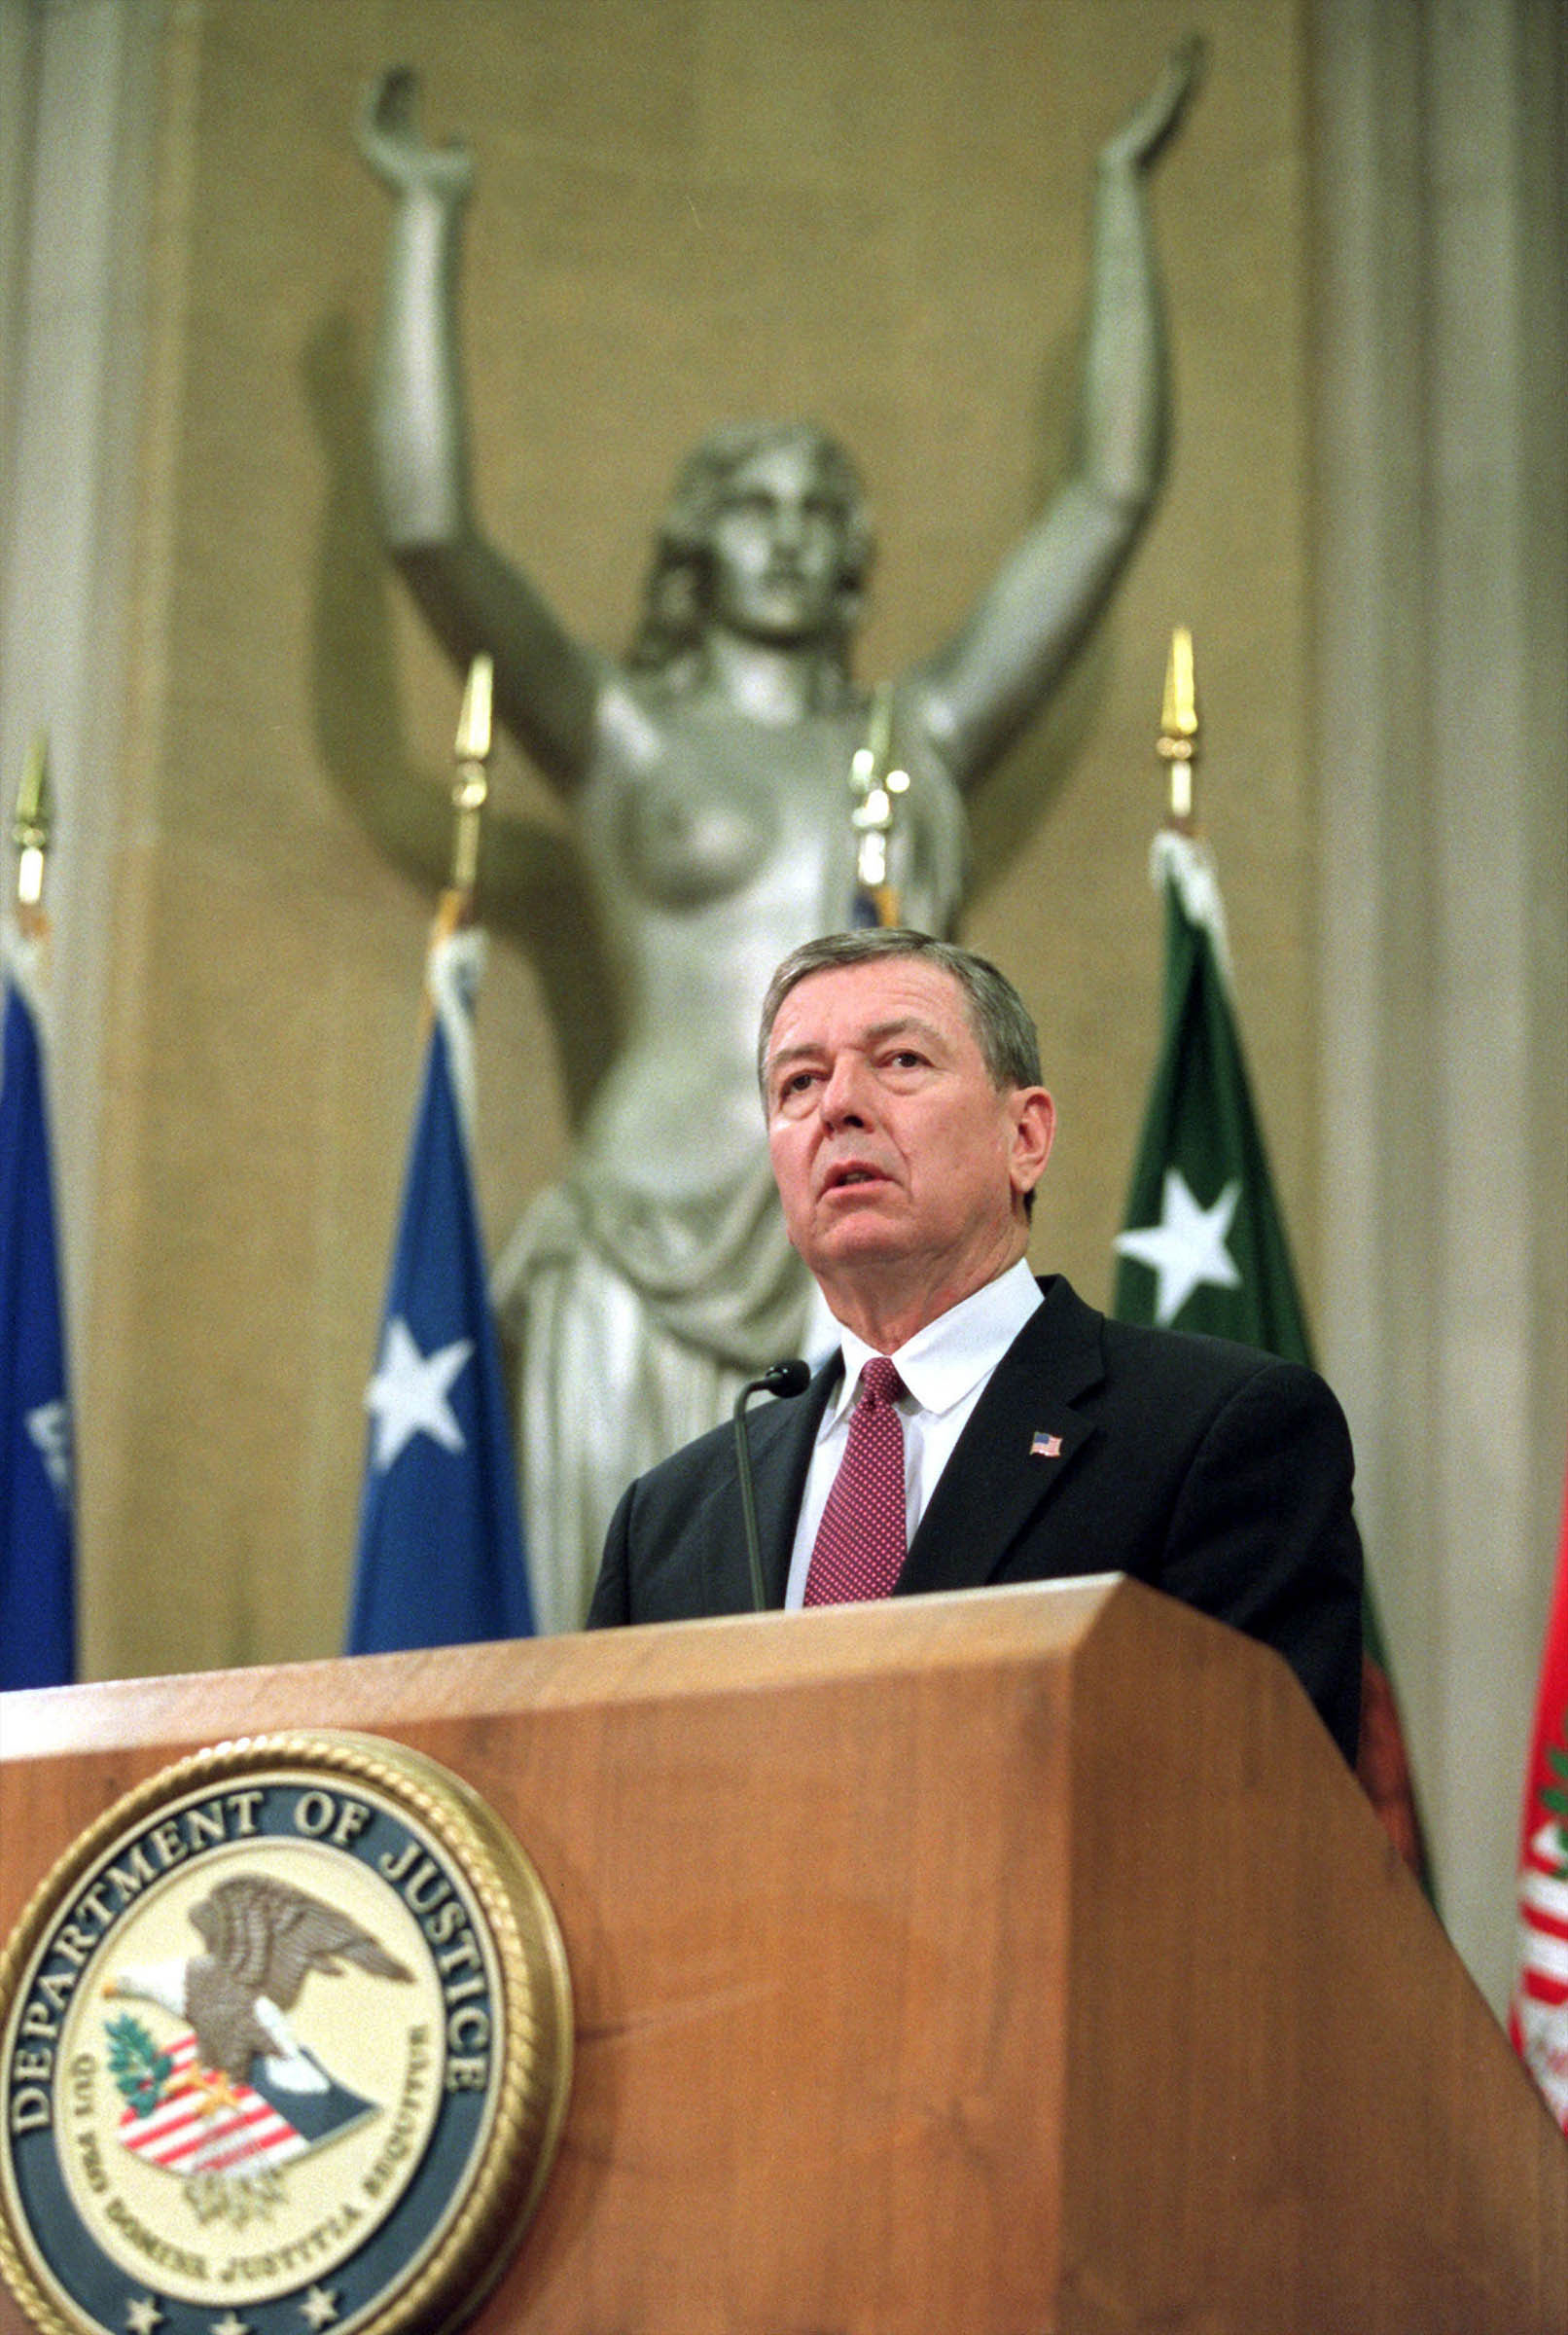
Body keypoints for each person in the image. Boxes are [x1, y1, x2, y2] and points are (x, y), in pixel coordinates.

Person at [354, 42, 1204, 1634]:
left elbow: (1104, 498)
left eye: (828, 509)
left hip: (876, 1266)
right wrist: (426, 224)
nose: (796, 534)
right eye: (758, 501)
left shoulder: (916, 735)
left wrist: (1114, 206)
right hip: (635, 1239)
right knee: (617, 1697)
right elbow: (428, 529)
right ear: (694, 536)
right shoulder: (620, 739)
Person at [588, 931, 1364, 1766]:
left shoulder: (1214, 1433)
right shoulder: (670, 1517)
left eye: (902, 1062)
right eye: (800, 1082)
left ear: (1025, 1138)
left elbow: (1260, 1810)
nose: (838, 1107)